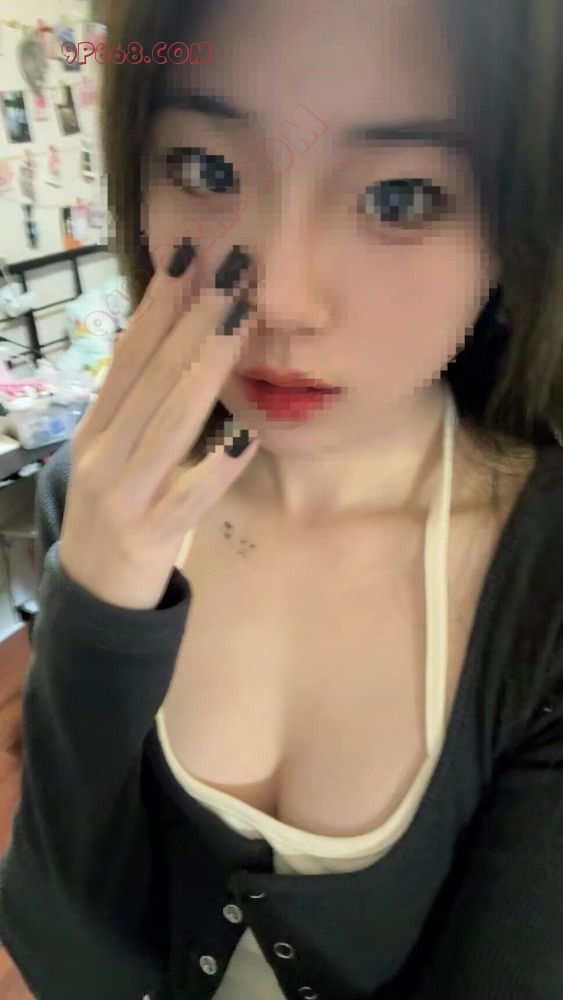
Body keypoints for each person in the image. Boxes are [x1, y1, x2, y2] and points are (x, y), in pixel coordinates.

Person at [1, 1, 562, 998]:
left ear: (514, 225)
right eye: (208, 171)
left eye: (399, 196)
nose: (283, 301)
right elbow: (66, 953)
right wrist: (99, 599)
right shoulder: (99, 500)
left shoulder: (542, 585)